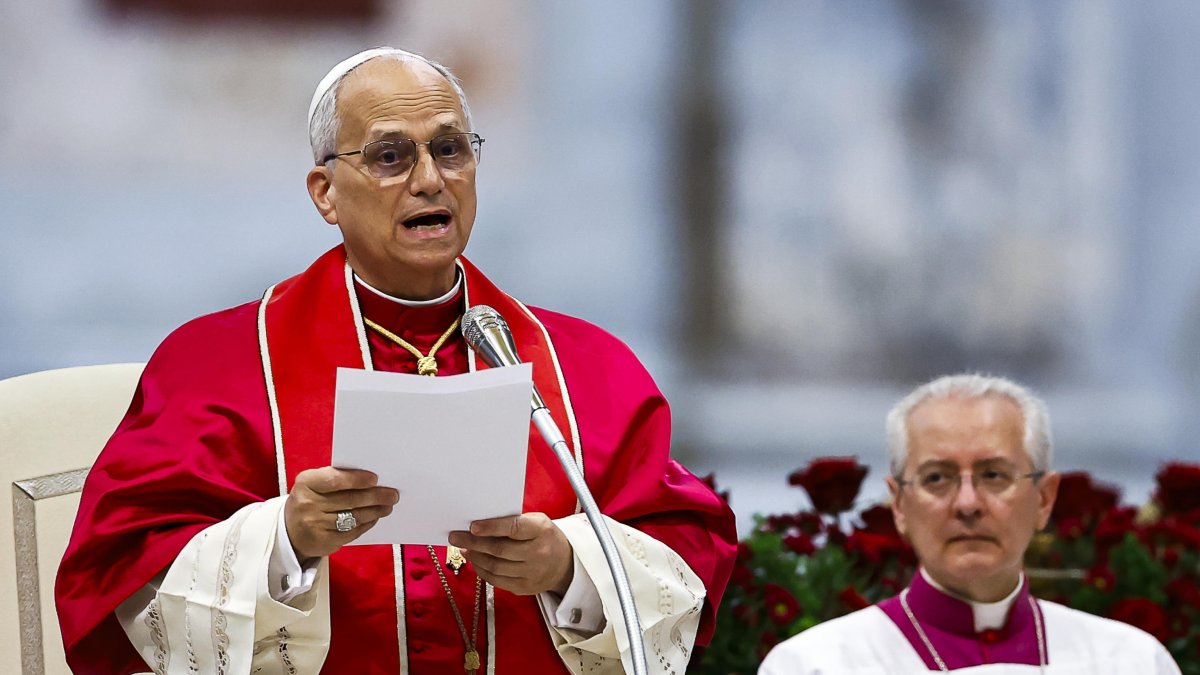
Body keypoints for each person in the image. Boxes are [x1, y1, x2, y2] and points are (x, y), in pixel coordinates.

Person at [55, 47, 737, 675]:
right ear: (325, 191)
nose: (430, 179)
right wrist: (286, 538)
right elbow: (121, 571)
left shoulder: (590, 366)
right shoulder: (215, 367)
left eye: (450, 148)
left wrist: (567, 565)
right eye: (390, 156)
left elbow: (686, 549)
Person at [760, 373, 1180, 674]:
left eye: (994, 475)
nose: (967, 503)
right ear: (900, 505)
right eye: (937, 478)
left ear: (1044, 499)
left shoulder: (1131, 661)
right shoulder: (814, 664)